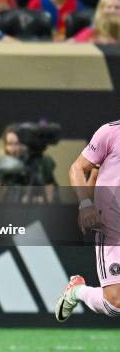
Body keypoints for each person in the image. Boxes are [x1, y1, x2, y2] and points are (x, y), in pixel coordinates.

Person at [56, 119, 120, 322]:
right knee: (115, 303)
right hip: (112, 224)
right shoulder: (110, 132)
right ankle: (77, 291)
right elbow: (78, 168)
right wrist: (85, 204)